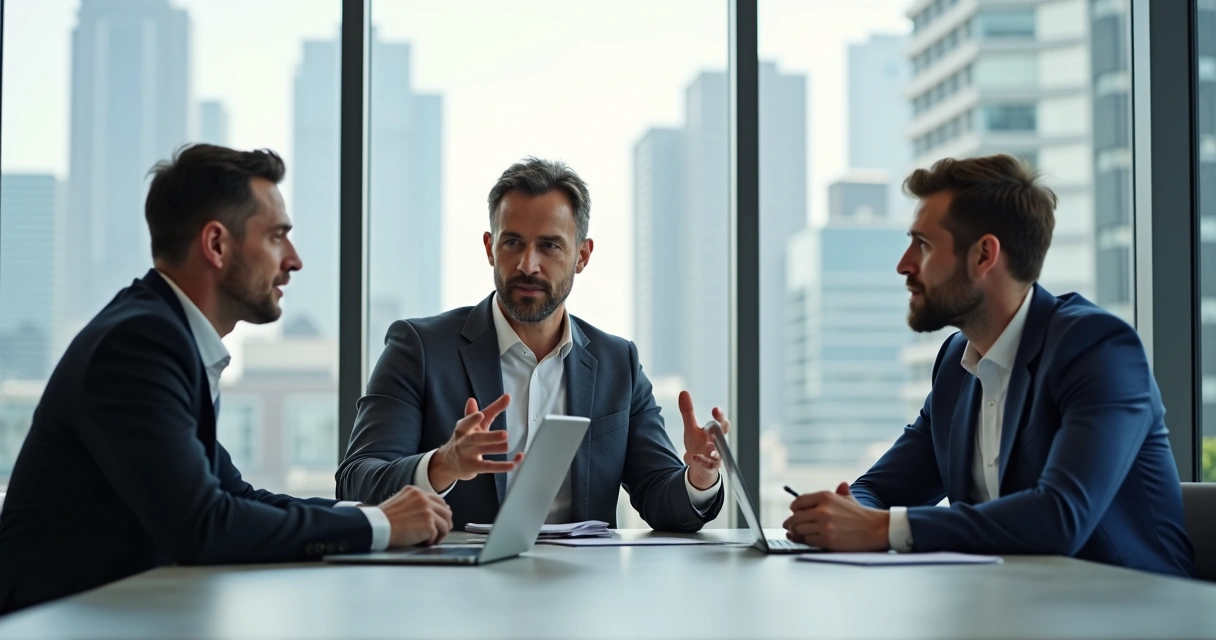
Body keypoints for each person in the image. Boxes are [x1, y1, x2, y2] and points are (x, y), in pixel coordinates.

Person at [0, 144, 453, 614]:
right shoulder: (139, 344)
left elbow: (234, 496)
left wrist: (371, 515)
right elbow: (204, 524)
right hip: (49, 623)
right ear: (216, 245)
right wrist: (379, 526)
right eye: (277, 237)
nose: (294, 260)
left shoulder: (166, 335)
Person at [783, 154, 1195, 577]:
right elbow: (877, 489)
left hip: (1129, 603)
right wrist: (843, 516)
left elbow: (1060, 517)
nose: (903, 264)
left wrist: (880, 529)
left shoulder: (1098, 348)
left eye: (923, 245)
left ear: (984, 255)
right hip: (1005, 600)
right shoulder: (955, 364)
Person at [337, 157, 727, 531]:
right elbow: (356, 481)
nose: (527, 264)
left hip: (580, 575)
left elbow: (660, 496)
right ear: (489, 248)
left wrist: (699, 477)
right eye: (512, 242)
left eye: (549, 246)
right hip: (459, 574)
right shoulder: (419, 349)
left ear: (582, 255)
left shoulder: (617, 363)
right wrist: (442, 465)